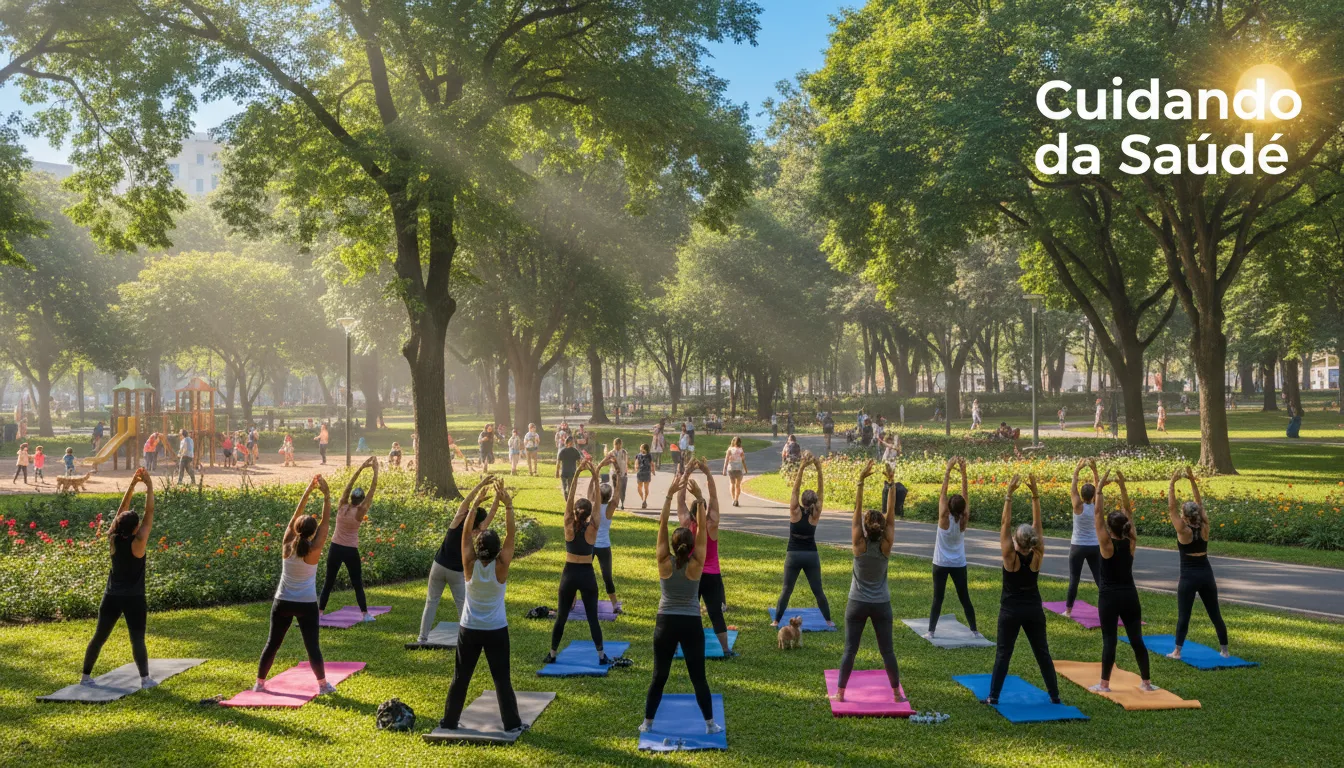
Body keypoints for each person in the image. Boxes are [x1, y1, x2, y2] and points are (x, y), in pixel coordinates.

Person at [441, 478, 523, 734]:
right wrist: (508, 506)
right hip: (496, 629)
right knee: (502, 680)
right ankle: (512, 724)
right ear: (498, 550)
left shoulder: (468, 564)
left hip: (469, 629)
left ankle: (449, 721)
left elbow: (465, 533)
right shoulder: (501, 567)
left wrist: (475, 505)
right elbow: (511, 535)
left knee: (461, 678)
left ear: (478, 548)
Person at [642, 472, 720, 736]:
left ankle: (648, 723)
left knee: (659, 676)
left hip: (665, 622)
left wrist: (668, 495)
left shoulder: (664, 562)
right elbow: (701, 537)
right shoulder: (697, 564)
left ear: (674, 546)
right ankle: (710, 725)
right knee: (698, 677)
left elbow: (662, 524)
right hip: (690, 624)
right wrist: (699, 499)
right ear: (690, 546)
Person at [984, 474, 1061, 705]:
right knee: (1042, 653)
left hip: (1010, 611)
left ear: (1016, 542)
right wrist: (1035, 494)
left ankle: (994, 697)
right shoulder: (1038, 554)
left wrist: (1009, 495)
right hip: (1033, 611)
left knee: (1003, 654)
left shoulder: (1010, 557)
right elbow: (1038, 526)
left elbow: (1004, 525)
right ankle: (1055, 696)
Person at [255, 475, 335, 694]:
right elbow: (326, 523)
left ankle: (259, 683)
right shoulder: (314, 548)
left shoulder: (287, 544)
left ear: (297, 530)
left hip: (282, 601)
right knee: (312, 647)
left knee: (272, 643)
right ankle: (322, 685)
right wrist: (326, 496)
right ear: (312, 532)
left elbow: (294, 519)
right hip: (306, 603)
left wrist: (308, 490)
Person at [833, 461, 903, 704]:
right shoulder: (886, 544)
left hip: (857, 603)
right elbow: (891, 515)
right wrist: (891, 483)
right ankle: (896, 693)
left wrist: (861, 481)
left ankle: (840, 693)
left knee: (850, 650)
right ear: (882, 528)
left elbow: (856, 510)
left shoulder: (858, 544)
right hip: (881, 603)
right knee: (888, 651)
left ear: (864, 527)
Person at [82, 469, 159, 689]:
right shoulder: (139, 541)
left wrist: (132, 486)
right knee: (137, 639)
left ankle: (85, 676)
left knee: (99, 637)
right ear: (135, 528)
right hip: (134, 598)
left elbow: (120, 514)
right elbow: (150, 511)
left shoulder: (113, 539)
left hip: (112, 596)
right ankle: (145, 679)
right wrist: (149, 486)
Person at [1092, 469, 1158, 693]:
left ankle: (1104, 685)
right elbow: (1128, 513)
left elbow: (1097, 513)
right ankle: (1146, 683)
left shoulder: (1106, 544)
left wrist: (1099, 487)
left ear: (1110, 529)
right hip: (1130, 595)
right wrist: (1122, 486)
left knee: (1109, 639)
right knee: (1136, 638)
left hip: (1109, 596)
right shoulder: (1131, 540)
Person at [543, 458, 614, 667]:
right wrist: (595, 473)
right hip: (586, 575)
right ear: (589, 512)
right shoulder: (593, 527)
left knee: (562, 616)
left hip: (569, 574)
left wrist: (576, 475)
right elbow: (597, 504)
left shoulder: (568, 525)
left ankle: (552, 653)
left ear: (574, 512)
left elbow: (570, 498)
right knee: (592, 618)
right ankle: (601, 656)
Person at [417, 475, 498, 643]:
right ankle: (466, 639)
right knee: (463, 605)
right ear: (479, 523)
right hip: (456, 572)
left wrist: (481, 485)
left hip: (438, 566)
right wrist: (499, 496)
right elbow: (491, 515)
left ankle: (422, 638)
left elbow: (468, 500)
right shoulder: (475, 532)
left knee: (431, 603)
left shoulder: (458, 520)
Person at [1167, 466, 1230, 659]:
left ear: (1184, 515)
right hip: (1206, 574)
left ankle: (1177, 651)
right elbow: (1200, 504)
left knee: (1184, 615)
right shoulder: (1205, 526)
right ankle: (1225, 651)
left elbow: (1171, 509)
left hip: (1188, 577)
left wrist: (1172, 483)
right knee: (1215, 613)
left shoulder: (1183, 530)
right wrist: (1192, 480)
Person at [772, 451, 834, 629]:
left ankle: (776, 620)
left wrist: (802, 467)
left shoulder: (795, 511)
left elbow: (795, 489)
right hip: (811, 555)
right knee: (818, 591)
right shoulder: (816, 512)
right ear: (814, 502)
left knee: (787, 589)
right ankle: (828, 620)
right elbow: (821, 491)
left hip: (793, 555)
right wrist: (819, 468)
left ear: (802, 501)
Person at [681, 458, 732, 657]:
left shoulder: (686, 523)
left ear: (692, 512)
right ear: (704, 510)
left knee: (689, 611)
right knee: (715, 613)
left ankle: (685, 647)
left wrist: (686, 473)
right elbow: (714, 496)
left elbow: (679, 499)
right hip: (712, 575)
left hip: (692, 573)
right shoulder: (712, 524)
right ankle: (726, 650)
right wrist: (707, 472)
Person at [924, 457, 980, 639]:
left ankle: (931, 631)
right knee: (965, 598)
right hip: (958, 563)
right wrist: (963, 472)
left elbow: (943, 492)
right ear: (963, 509)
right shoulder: (964, 520)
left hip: (940, 563)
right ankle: (974, 630)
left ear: (948, 507)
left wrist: (948, 470)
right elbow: (966, 495)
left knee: (937, 599)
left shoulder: (943, 518)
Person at [319, 456, 379, 621]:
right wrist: (375, 470)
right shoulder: (360, 512)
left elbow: (348, 486)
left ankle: (319, 613)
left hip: (335, 547)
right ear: (361, 501)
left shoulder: (342, 505)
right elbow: (373, 490)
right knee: (357, 583)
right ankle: (365, 614)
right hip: (350, 550)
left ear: (351, 498)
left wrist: (360, 469)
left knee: (328, 582)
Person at [1064, 458, 1102, 618]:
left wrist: (1077, 469)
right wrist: (1094, 470)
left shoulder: (1077, 506)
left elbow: (1073, 487)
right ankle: (1107, 608)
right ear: (1094, 495)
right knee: (1100, 580)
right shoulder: (1097, 506)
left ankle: (1068, 611)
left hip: (1078, 546)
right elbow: (1099, 488)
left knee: (1074, 579)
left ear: (1081, 495)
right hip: (1094, 546)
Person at [592, 453, 623, 613]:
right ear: (609, 496)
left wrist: (602, 463)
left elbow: (594, 477)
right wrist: (617, 469)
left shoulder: (593, 504)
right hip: (604, 546)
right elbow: (618, 490)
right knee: (607, 577)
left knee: (579, 573)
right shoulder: (610, 508)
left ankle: (571, 602)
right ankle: (615, 605)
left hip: (590, 545)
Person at [722, 436, 748, 507]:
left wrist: (724, 469)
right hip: (739, 469)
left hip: (731, 469)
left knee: (732, 483)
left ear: (733, 442)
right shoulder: (741, 450)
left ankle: (733, 499)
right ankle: (736, 499)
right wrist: (745, 469)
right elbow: (743, 460)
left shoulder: (730, 449)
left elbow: (726, 460)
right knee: (738, 485)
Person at [610, 437, 629, 510]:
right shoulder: (611, 452)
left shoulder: (624, 452)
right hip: (614, 473)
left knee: (622, 489)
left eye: (620, 444)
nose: (618, 446)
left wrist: (625, 472)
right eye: (616, 445)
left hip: (623, 473)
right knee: (615, 488)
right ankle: (616, 502)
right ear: (614, 444)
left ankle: (622, 502)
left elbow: (625, 463)